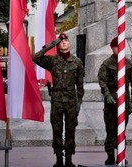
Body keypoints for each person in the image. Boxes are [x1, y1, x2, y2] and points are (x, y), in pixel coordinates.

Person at [32, 33, 84, 167]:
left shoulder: (77, 62)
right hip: (57, 101)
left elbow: (80, 86)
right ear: (58, 44)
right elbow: (35, 57)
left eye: (66, 40)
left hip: (71, 102)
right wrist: (50, 45)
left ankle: (69, 159)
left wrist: (79, 104)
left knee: (70, 130)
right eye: (61, 41)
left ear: (69, 43)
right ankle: (59, 158)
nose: (64, 42)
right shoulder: (53, 61)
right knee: (57, 130)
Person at [97, 37, 132, 165]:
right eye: (116, 47)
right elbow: (102, 81)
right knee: (110, 130)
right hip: (111, 102)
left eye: (120, 47)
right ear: (112, 48)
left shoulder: (129, 64)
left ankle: (121, 155)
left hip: (124, 101)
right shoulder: (106, 64)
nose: (118, 49)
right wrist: (107, 95)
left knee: (121, 130)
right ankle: (110, 156)